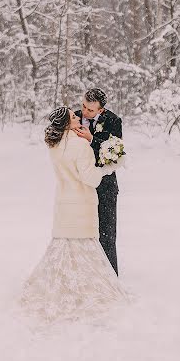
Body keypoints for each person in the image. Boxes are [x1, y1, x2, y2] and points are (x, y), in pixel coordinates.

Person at [20, 106, 126, 324]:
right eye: (73, 116)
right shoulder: (80, 145)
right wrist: (108, 167)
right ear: (67, 124)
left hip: (64, 204)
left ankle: (57, 290)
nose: (78, 116)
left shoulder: (54, 145)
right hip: (81, 205)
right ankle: (85, 292)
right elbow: (91, 179)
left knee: (63, 252)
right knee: (86, 253)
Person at [74, 89, 122, 275]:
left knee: (106, 233)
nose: (84, 112)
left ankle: (110, 277)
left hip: (105, 185)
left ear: (101, 110)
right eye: (83, 106)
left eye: (90, 110)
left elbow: (115, 153)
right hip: (80, 185)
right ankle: (83, 274)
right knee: (80, 231)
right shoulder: (74, 118)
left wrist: (92, 139)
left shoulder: (113, 121)